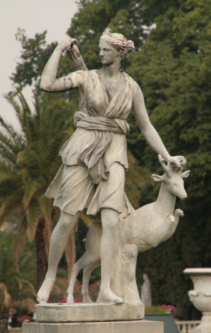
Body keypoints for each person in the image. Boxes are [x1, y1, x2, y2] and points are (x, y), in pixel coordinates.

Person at [36, 31, 185, 304]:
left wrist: (167, 155)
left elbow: (146, 125)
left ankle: (105, 287)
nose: (100, 53)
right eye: (100, 49)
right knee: (67, 218)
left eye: (105, 49)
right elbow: (47, 84)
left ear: (119, 53)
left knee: (111, 221)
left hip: (115, 150)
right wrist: (58, 49)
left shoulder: (131, 87)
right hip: (82, 149)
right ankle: (49, 277)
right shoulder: (86, 77)